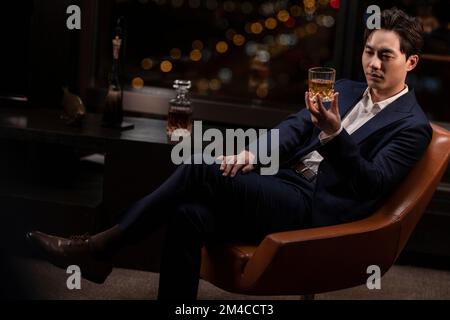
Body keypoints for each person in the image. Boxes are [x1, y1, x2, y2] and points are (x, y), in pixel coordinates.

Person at [27, 8, 432, 300]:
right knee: (188, 215)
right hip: (281, 184)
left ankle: (99, 248)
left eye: (385, 56)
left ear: (410, 62)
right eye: (368, 52)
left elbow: (371, 182)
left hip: (316, 208)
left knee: (200, 168)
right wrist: (254, 153)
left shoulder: (411, 126)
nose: (372, 63)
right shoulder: (343, 88)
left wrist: (335, 133)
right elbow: (292, 129)